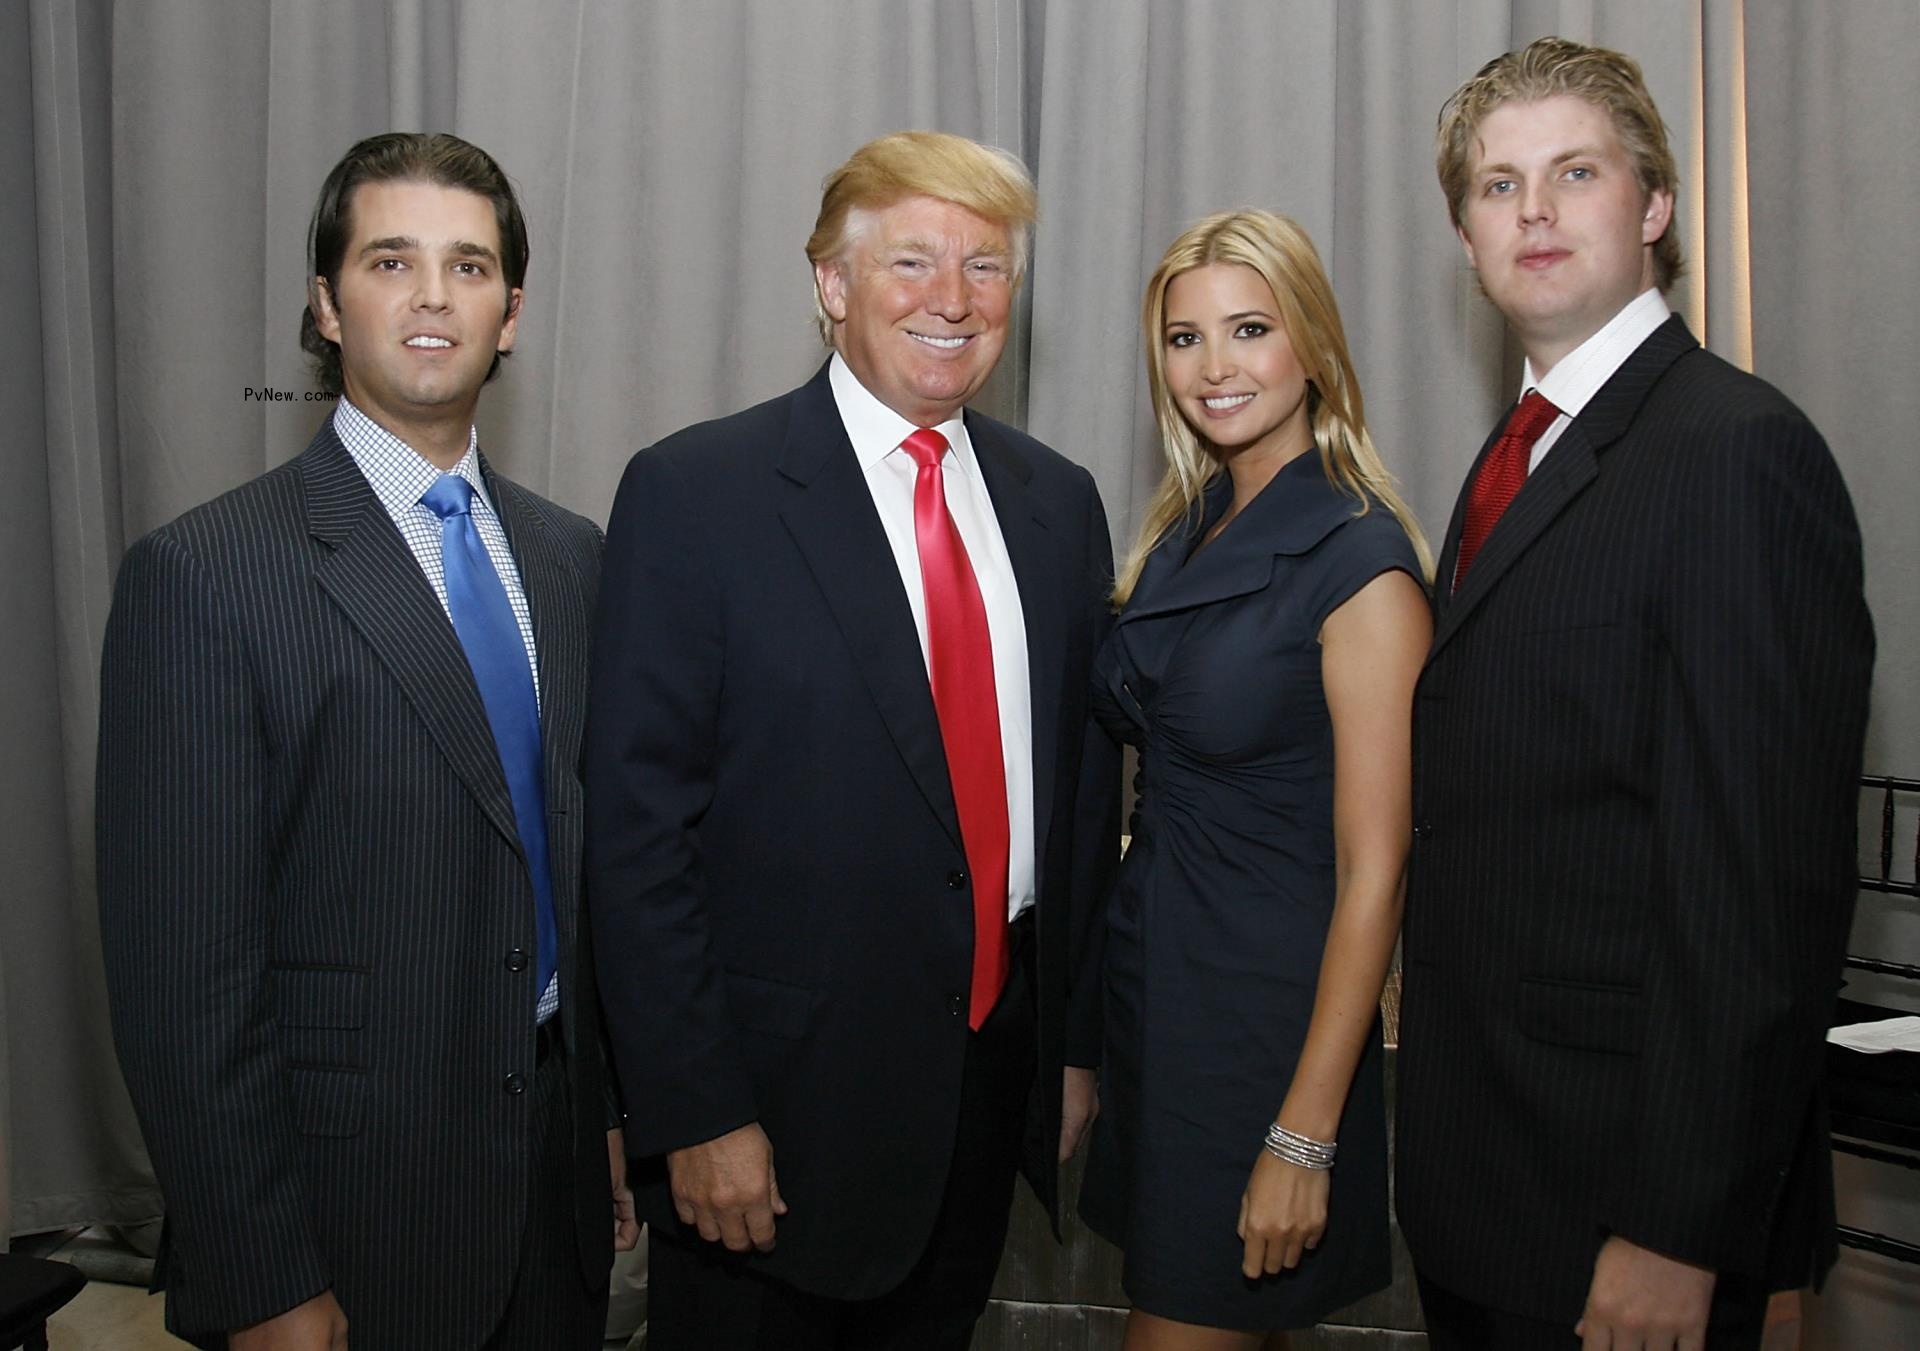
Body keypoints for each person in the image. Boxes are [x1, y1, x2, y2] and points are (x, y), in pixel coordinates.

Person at [96, 132, 636, 1351]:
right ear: (326, 305)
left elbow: (571, 870)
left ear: (511, 314)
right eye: (392, 261)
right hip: (345, 1209)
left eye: (471, 266)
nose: (435, 295)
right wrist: (262, 1275)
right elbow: (183, 985)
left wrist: (598, 1111)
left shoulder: (573, 557)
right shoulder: (207, 576)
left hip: (549, 1181)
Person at [585, 129, 1121, 1350]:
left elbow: (1084, 800)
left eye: (986, 268)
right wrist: (695, 1111)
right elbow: (636, 834)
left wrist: (1070, 1052)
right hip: (768, 1127)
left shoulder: (1057, 503)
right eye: (915, 263)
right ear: (831, 285)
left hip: (979, 1105)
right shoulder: (697, 495)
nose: (954, 300)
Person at [1397, 37, 1875, 1351]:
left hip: (1626, 1209)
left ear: (1653, 205)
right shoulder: (1516, 453)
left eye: (1575, 171)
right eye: (1498, 185)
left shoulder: (1737, 453)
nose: (1533, 210)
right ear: (1465, 230)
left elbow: (1758, 886)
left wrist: (1681, 1224)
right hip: (1487, 1180)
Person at [1076, 210, 1431, 1348]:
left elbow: (1376, 870)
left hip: (1264, 1030)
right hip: (1161, 992)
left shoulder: (1357, 559)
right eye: (1184, 339)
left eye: (1249, 330)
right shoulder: (1191, 529)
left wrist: (1305, 1134)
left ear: (1313, 345)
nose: (1214, 368)